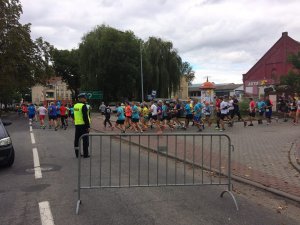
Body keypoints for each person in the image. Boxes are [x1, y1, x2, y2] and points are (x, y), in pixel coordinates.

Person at [74, 93, 91, 158]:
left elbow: (74, 115)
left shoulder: (75, 106)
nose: (86, 99)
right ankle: (85, 154)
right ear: (81, 98)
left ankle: (77, 154)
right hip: (83, 125)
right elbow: (85, 117)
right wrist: (88, 126)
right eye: (85, 97)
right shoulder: (83, 106)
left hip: (77, 125)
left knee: (77, 140)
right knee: (85, 140)